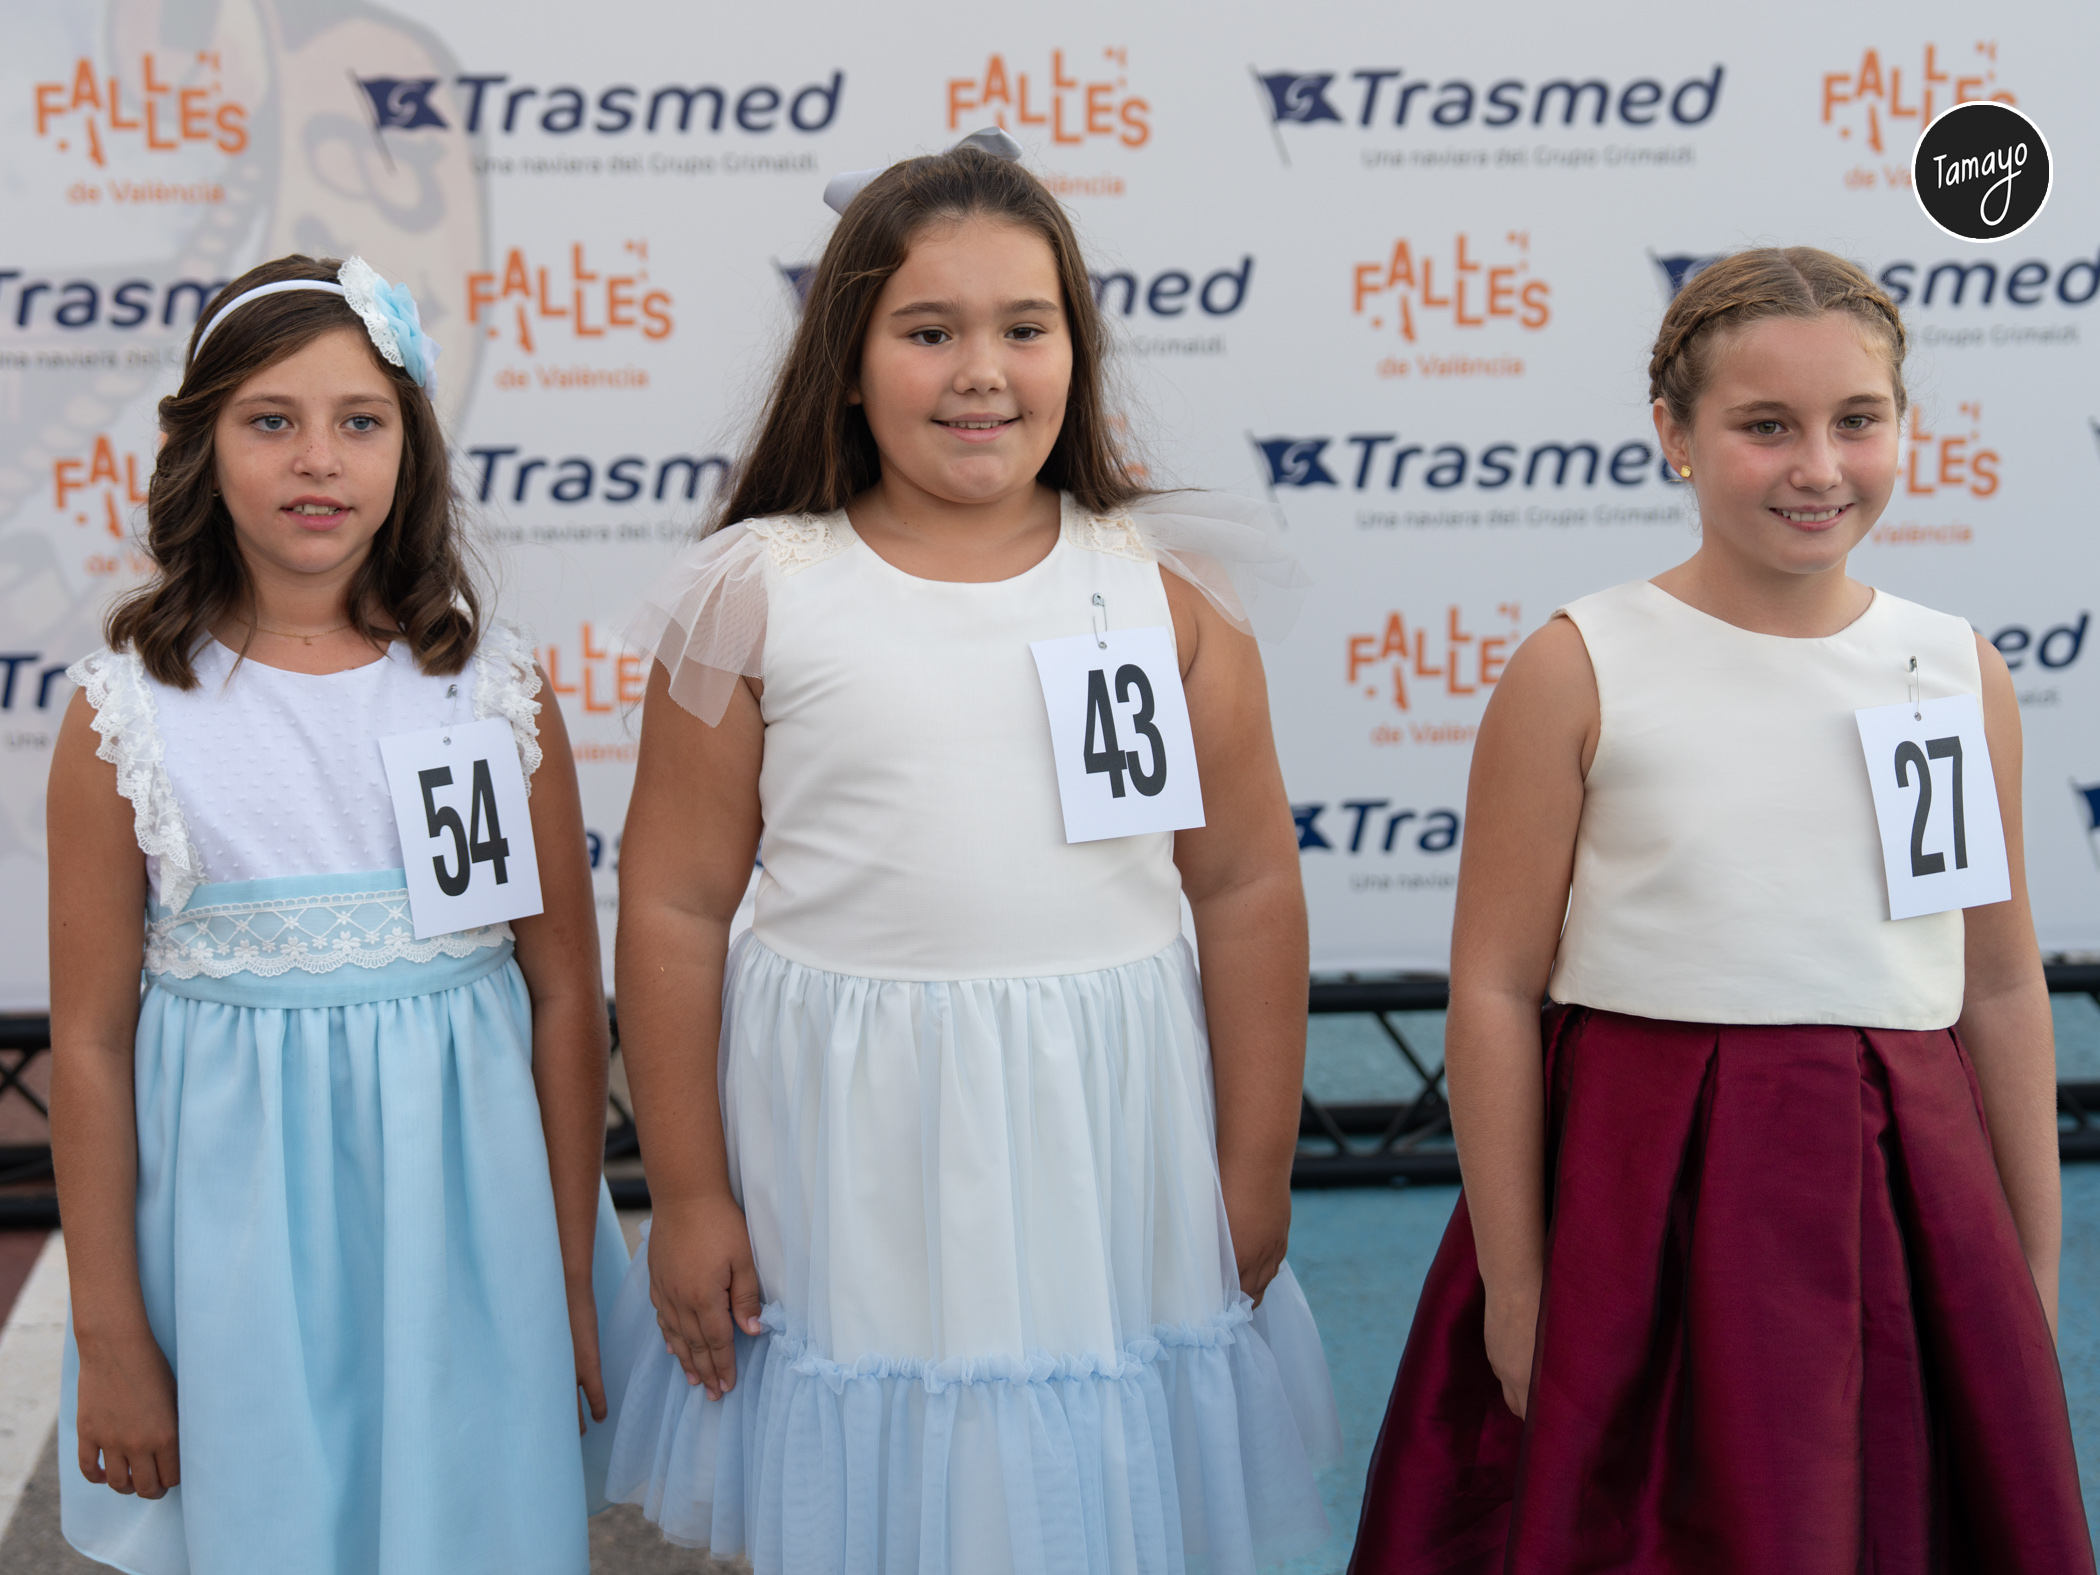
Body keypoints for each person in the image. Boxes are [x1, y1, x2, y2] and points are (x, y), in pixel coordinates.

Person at [600, 131, 1341, 1574]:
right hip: (852, 1135)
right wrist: (685, 1193)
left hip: (1100, 1125)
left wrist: (1253, 1163)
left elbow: (1246, 883)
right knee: (883, 1481)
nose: (981, 373)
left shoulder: (1168, 593)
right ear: (848, 357)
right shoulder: (754, 595)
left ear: (1079, 349)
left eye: (1024, 328)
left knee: (1081, 1475)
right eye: (928, 331)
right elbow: (677, 903)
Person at [1348, 246, 2095, 1573]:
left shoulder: (1950, 673)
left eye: (1856, 420)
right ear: (1675, 435)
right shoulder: (1580, 666)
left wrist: (2027, 1269)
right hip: (1643, 1195)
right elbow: (1496, 989)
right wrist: (1517, 1285)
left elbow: (1994, 982)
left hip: (1901, 1183)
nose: (1819, 467)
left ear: (1903, 425)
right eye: (1766, 426)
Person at [47, 254, 630, 1575]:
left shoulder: (489, 695)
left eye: (360, 420)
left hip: (469, 1240)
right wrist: (111, 1331)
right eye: (272, 420)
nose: (319, 458)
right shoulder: (123, 716)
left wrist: (566, 1273)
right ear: (201, 447)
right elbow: (84, 1042)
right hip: (239, 1260)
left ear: (408, 449)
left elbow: (559, 995)